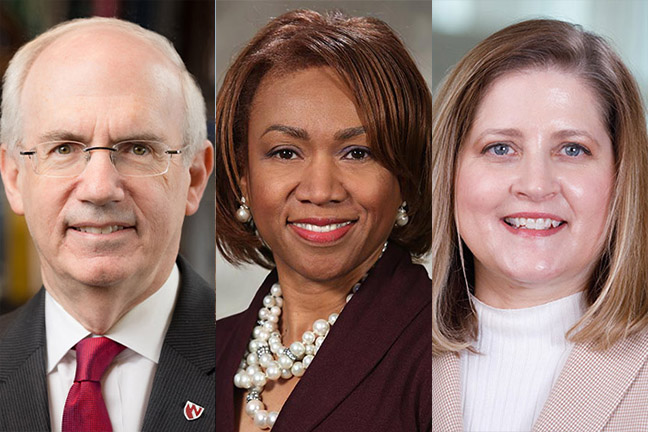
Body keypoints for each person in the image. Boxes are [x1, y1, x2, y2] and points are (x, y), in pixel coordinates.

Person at [215, 9, 431, 431]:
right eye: (285, 153)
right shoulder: (209, 351)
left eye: (357, 152)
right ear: (243, 177)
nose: (320, 190)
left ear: (404, 177)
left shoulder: (440, 356)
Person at [432, 19, 648, 432]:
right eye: (500, 147)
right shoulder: (391, 352)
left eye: (572, 149)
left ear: (621, 177)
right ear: (450, 173)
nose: (536, 185)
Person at [0, 17, 214, 431]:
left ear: (196, 177)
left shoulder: (251, 361)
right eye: (64, 147)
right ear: (13, 177)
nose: (99, 188)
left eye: (137, 148)